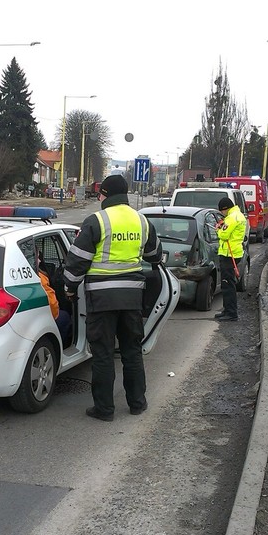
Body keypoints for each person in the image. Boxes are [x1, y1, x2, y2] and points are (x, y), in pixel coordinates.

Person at [65, 174, 161, 422]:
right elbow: (155, 256)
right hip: (132, 299)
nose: (98, 198)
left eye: (100, 194)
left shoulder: (97, 220)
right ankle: (137, 403)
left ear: (106, 195)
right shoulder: (141, 221)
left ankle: (105, 409)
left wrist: (69, 288)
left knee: (104, 354)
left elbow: (77, 261)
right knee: (132, 351)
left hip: (102, 299)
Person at [214, 197, 247, 322]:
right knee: (227, 283)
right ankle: (227, 309)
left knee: (228, 285)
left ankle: (231, 312)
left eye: (222, 211)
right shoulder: (238, 215)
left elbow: (224, 235)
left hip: (229, 254)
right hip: (234, 252)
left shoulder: (232, 218)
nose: (222, 214)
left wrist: (218, 229)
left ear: (225, 208)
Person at [36, 254, 71, 346]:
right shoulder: (40, 278)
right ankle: (59, 346)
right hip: (42, 319)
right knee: (65, 317)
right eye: (37, 258)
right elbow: (53, 306)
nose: (40, 261)